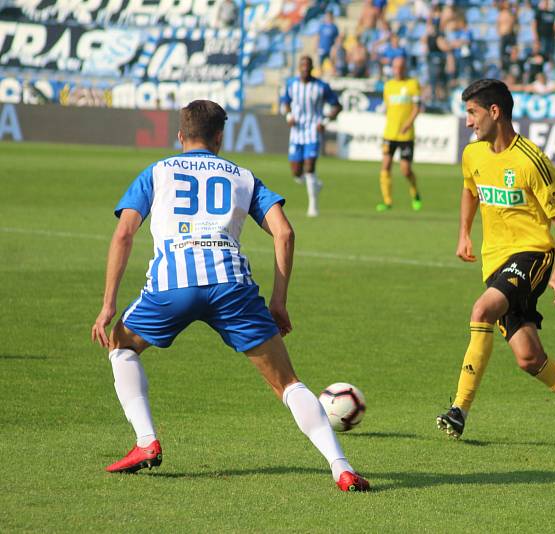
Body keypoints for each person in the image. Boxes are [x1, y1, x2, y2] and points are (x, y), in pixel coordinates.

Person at [91, 100, 369, 491]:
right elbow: (285, 233)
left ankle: (146, 441)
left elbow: (124, 233)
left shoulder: (158, 171)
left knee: (121, 347)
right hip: (232, 288)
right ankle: (341, 467)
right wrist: (278, 302)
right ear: (220, 136)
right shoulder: (242, 176)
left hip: (172, 285)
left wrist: (107, 305)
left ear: (180, 135)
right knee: (288, 384)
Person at [435, 79, 555, 447]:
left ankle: (459, 409)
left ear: (495, 112)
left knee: (482, 309)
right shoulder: (473, 154)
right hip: (495, 264)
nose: (468, 122)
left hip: (533, 254)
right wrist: (464, 233)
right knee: (529, 358)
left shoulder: (532, 160)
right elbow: (469, 190)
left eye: (472, 113)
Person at [279, 56, 342, 217]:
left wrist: (325, 120)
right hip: (297, 132)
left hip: (313, 131)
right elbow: (285, 103)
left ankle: (313, 206)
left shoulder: (321, 86)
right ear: (299, 68)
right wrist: (288, 116)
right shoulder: (292, 84)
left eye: (308, 65)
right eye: (302, 65)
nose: (305, 68)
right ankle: (315, 184)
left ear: (312, 67)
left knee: (310, 167)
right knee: (296, 173)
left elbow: (337, 105)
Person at [377, 56, 422, 212]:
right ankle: (387, 201)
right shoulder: (388, 86)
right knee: (385, 166)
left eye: (401, 67)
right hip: (389, 134)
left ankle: (415, 192)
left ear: (405, 68)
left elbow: (417, 108)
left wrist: (407, 124)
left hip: (406, 135)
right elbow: (388, 108)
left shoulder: (413, 84)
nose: (398, 70)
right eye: (395, 67)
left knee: (405, 170)